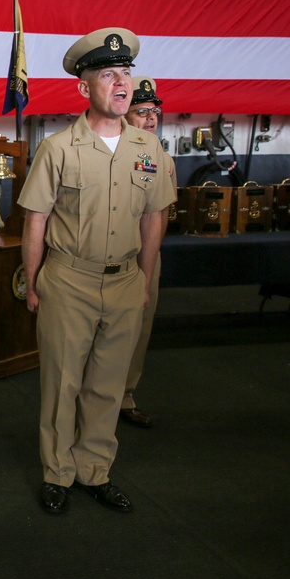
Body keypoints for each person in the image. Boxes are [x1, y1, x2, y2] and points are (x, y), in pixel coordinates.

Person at [19, 28, 175, 515]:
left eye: (125, 73)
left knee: (107, 385)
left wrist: (145, 281)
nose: (121, 82)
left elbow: (154, 218)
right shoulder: (59, 149)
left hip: (125, 280)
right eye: (108, 74)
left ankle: (94, 470)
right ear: (84, 87)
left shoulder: (148, 150)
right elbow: (36, 220)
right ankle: (57, 473)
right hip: (69, 279)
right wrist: (32, 281)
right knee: (63, 383)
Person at [120, 76, 177, 428]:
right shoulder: (112, 153)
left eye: (154, 111)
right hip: (110, 255)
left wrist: (149, 261)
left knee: (140, 329)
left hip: (146, 257)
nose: (151, 118)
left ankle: (125, 395)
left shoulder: (164, 160)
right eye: (142, 111)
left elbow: (162, 214)